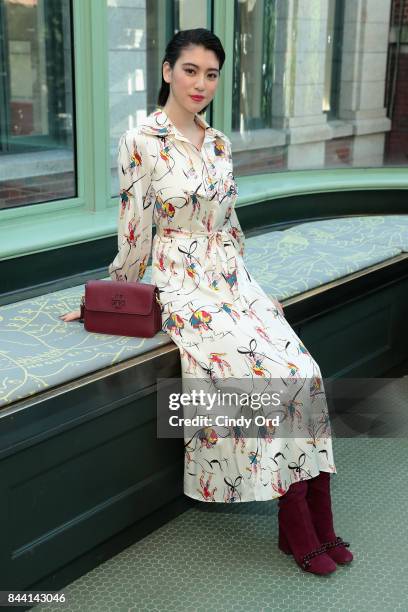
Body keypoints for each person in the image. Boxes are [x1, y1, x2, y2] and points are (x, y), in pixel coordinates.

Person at [60, 27, 353, 575]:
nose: (201, 83)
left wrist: (258, 298)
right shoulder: (140, 141)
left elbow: (231, 224)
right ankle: (296, 525)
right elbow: (134, 230)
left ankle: (321, 516)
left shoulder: (218, 142)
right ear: (167, 71)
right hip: (181, 283)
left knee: (304, 369)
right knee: (264, 378)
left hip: (233, 280)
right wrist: (109, 297)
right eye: (190, 70)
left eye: (211, 73)